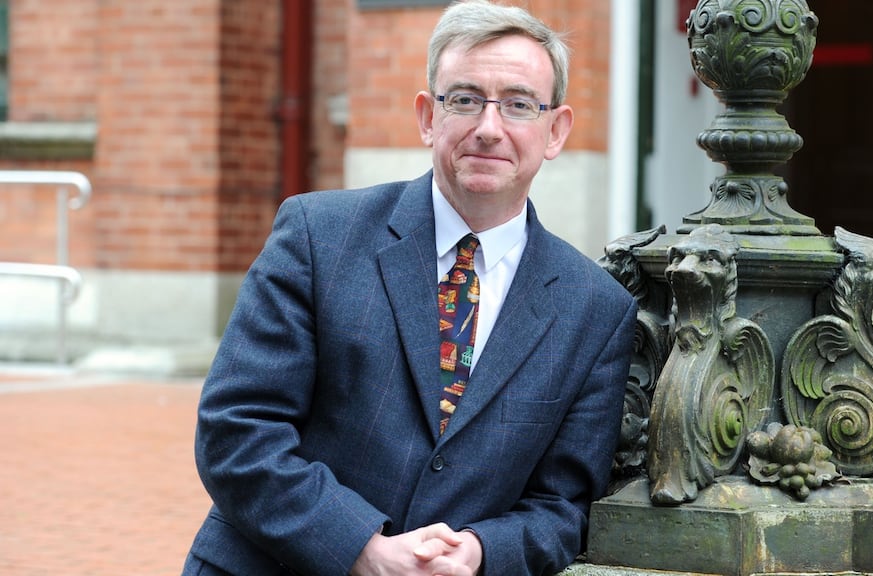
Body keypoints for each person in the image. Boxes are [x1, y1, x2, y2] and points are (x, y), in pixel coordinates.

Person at [182, 1, 636, 574]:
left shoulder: (595, 309)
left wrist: (480, 552)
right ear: (427, 117)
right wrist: (362, 549)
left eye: (519, 104)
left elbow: (562, 507)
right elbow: (237, 429)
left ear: (556, 130)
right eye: (464, 99)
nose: (488, 128)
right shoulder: (319, 237)